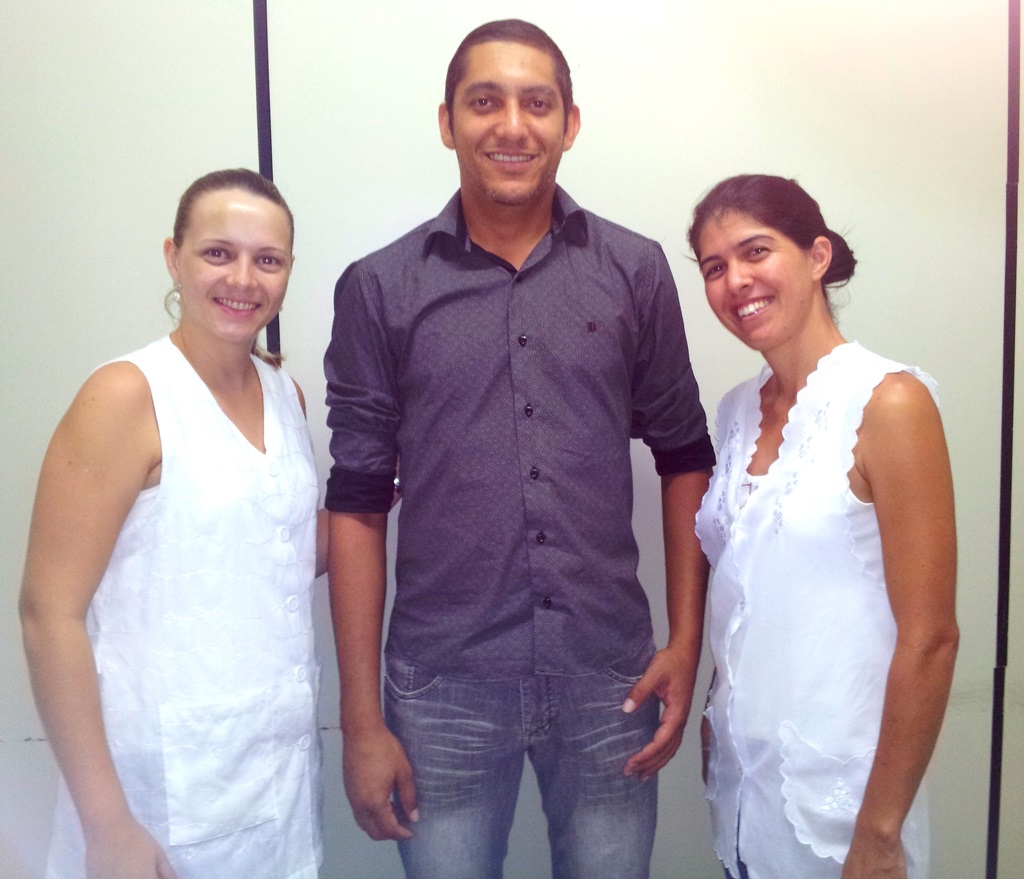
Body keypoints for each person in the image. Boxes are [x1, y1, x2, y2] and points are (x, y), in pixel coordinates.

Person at [323, 18, 714, 879]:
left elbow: (686, 454)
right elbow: (356, 503)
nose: (512, 125)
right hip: (443, 683)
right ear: (447, 121)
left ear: (570, 123)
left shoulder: (635, 270)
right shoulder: (380, 288)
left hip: (609, 675)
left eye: (537, 103)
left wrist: (687, 641)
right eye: (484, 101)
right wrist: (360, 718)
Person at [20, 169, 324, 879]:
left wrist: (408, 480)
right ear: (173, 257)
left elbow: (273, 550)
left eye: (267, 259)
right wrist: (107, 825)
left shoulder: (286, 394)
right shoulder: (126, 395)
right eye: (218, 252)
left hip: (275, 782)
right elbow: (47, 614)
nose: (242, 279)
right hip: (155, 798)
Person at [688, 174, 959, 879]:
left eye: (755, 251)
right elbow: (746, 587)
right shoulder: (736, 410)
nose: (735, 281)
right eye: (714, 267)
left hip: (846, 809)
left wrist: (879, 832)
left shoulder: (888, 403)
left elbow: (931, 638)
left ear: (817, 256)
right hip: (743, 788)